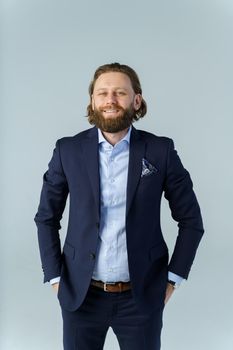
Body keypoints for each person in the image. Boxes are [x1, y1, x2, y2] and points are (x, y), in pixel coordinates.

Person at [34, 62, 204, 350]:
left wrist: (172, 279)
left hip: (141, 296)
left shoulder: (160, 151)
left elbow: (191, 221)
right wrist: (55, 278)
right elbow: (46, 218)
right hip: (80, 295)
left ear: (136, 100)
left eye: (120, 93)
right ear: (92, 100)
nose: (110, 100)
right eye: (102, 93)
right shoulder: (67, 151)